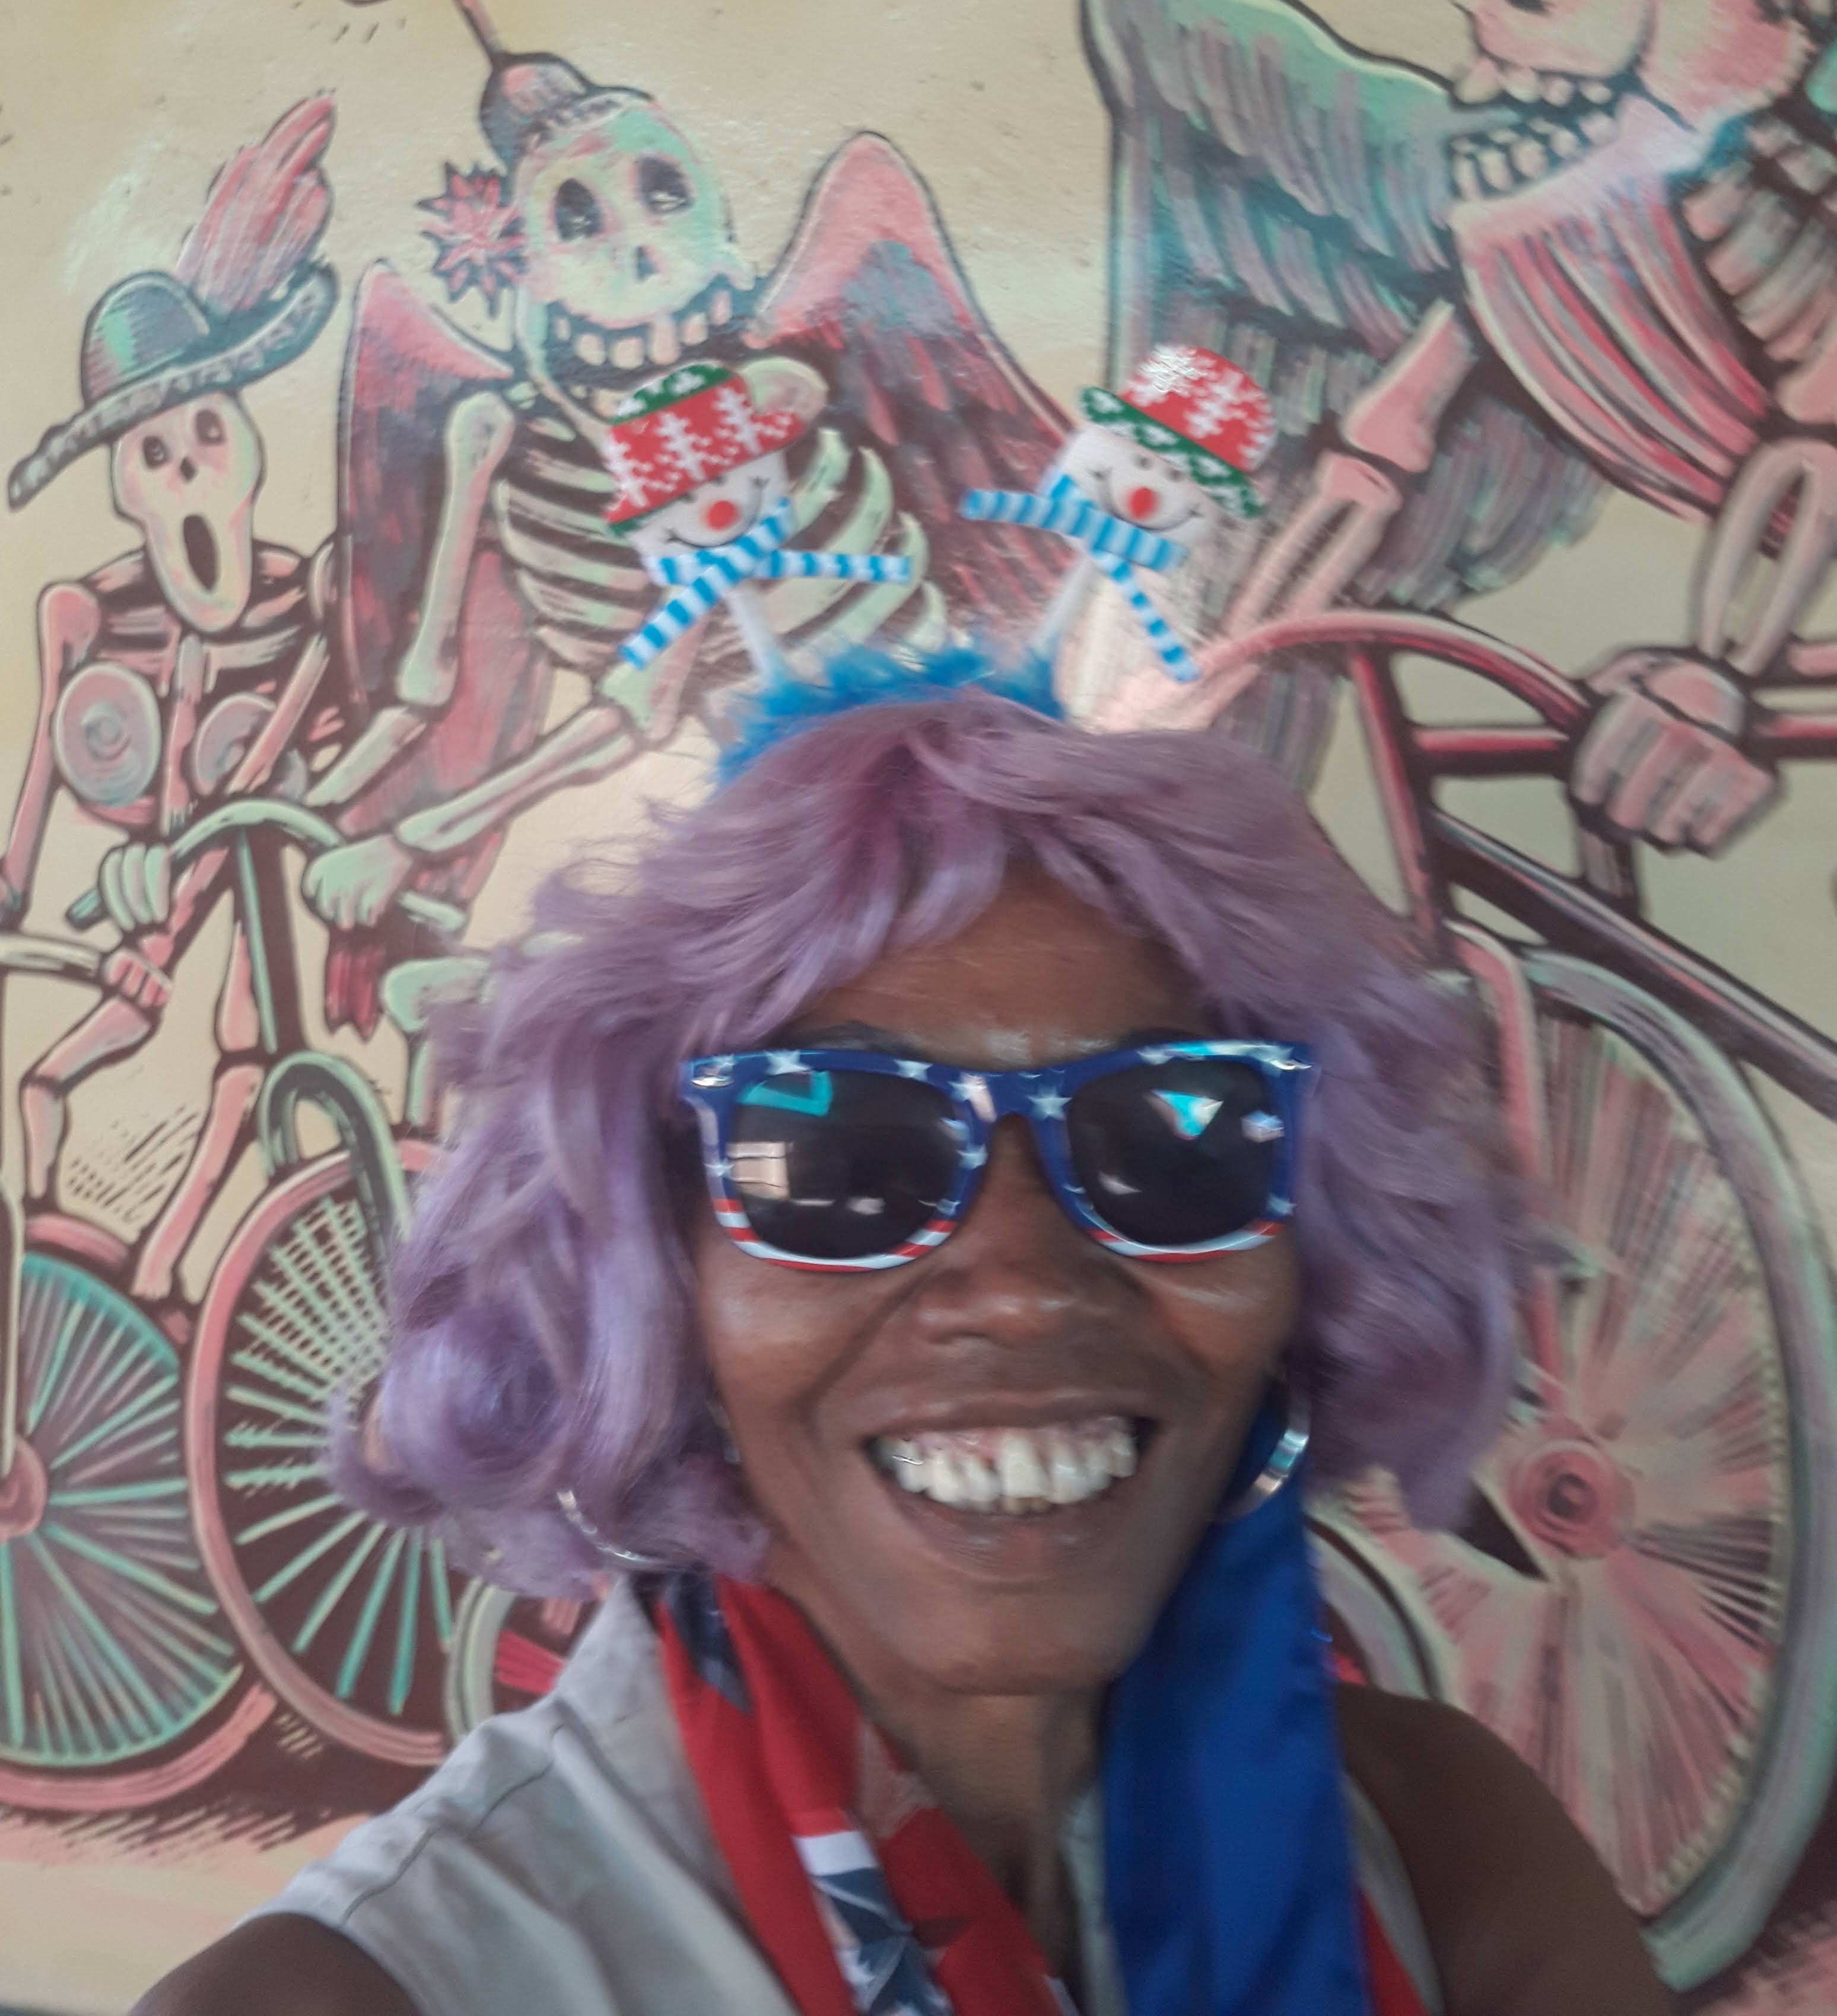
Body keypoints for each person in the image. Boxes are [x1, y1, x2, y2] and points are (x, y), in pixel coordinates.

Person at [137, 658, 1670, 2015]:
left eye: (1174, 1133)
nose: (1023, 1283)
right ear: (654, 1282)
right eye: (836, 1153)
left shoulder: (1446, 1857)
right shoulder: (352, 1998)